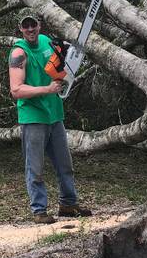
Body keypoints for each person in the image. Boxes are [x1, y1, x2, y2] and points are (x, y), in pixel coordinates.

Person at [8, 14, 92, 224]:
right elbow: (16, 89)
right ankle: (39, 211)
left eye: (33, 24)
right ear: (20, 28)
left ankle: (68, 204)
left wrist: (73, 52)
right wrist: (47, 89)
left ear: (39, 25)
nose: (30, 29)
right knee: (35, 167)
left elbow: (67, 51)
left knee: (65, 164)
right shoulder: (19, 53)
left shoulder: (46, 41)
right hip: (33, 116)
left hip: (54, 113)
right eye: (25, 25)